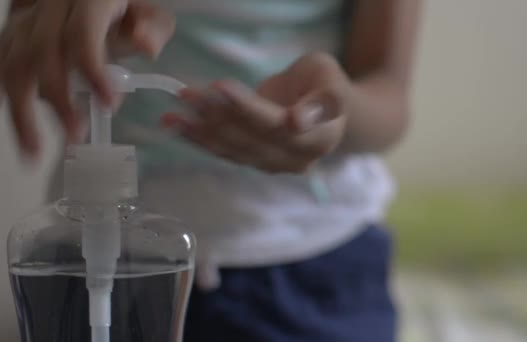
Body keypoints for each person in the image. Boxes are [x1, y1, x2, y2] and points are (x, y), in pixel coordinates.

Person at [0, 0, 421, 340]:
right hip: (96, 262)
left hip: (311, 264)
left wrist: (332, 114)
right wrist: (48, 34)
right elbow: (31, 44)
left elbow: (389, 94)